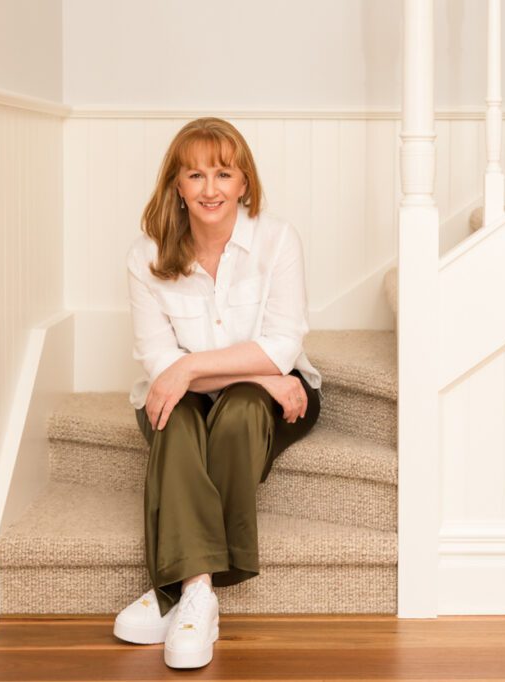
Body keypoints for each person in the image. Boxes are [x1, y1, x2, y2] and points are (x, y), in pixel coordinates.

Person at [111, 117, 322, 669]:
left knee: (237, 412)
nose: (210, 189)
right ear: (176, 185)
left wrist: (209, 371)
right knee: (173, 417)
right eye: (196, 175)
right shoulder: (145, 256)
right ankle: (197, 592)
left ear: (244, 183)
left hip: (274, 401)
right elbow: (161, 365)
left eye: (223, 174)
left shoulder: (278, 241)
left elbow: (281, 345)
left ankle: (168, 593)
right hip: (206, 393)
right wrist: (251, 369)